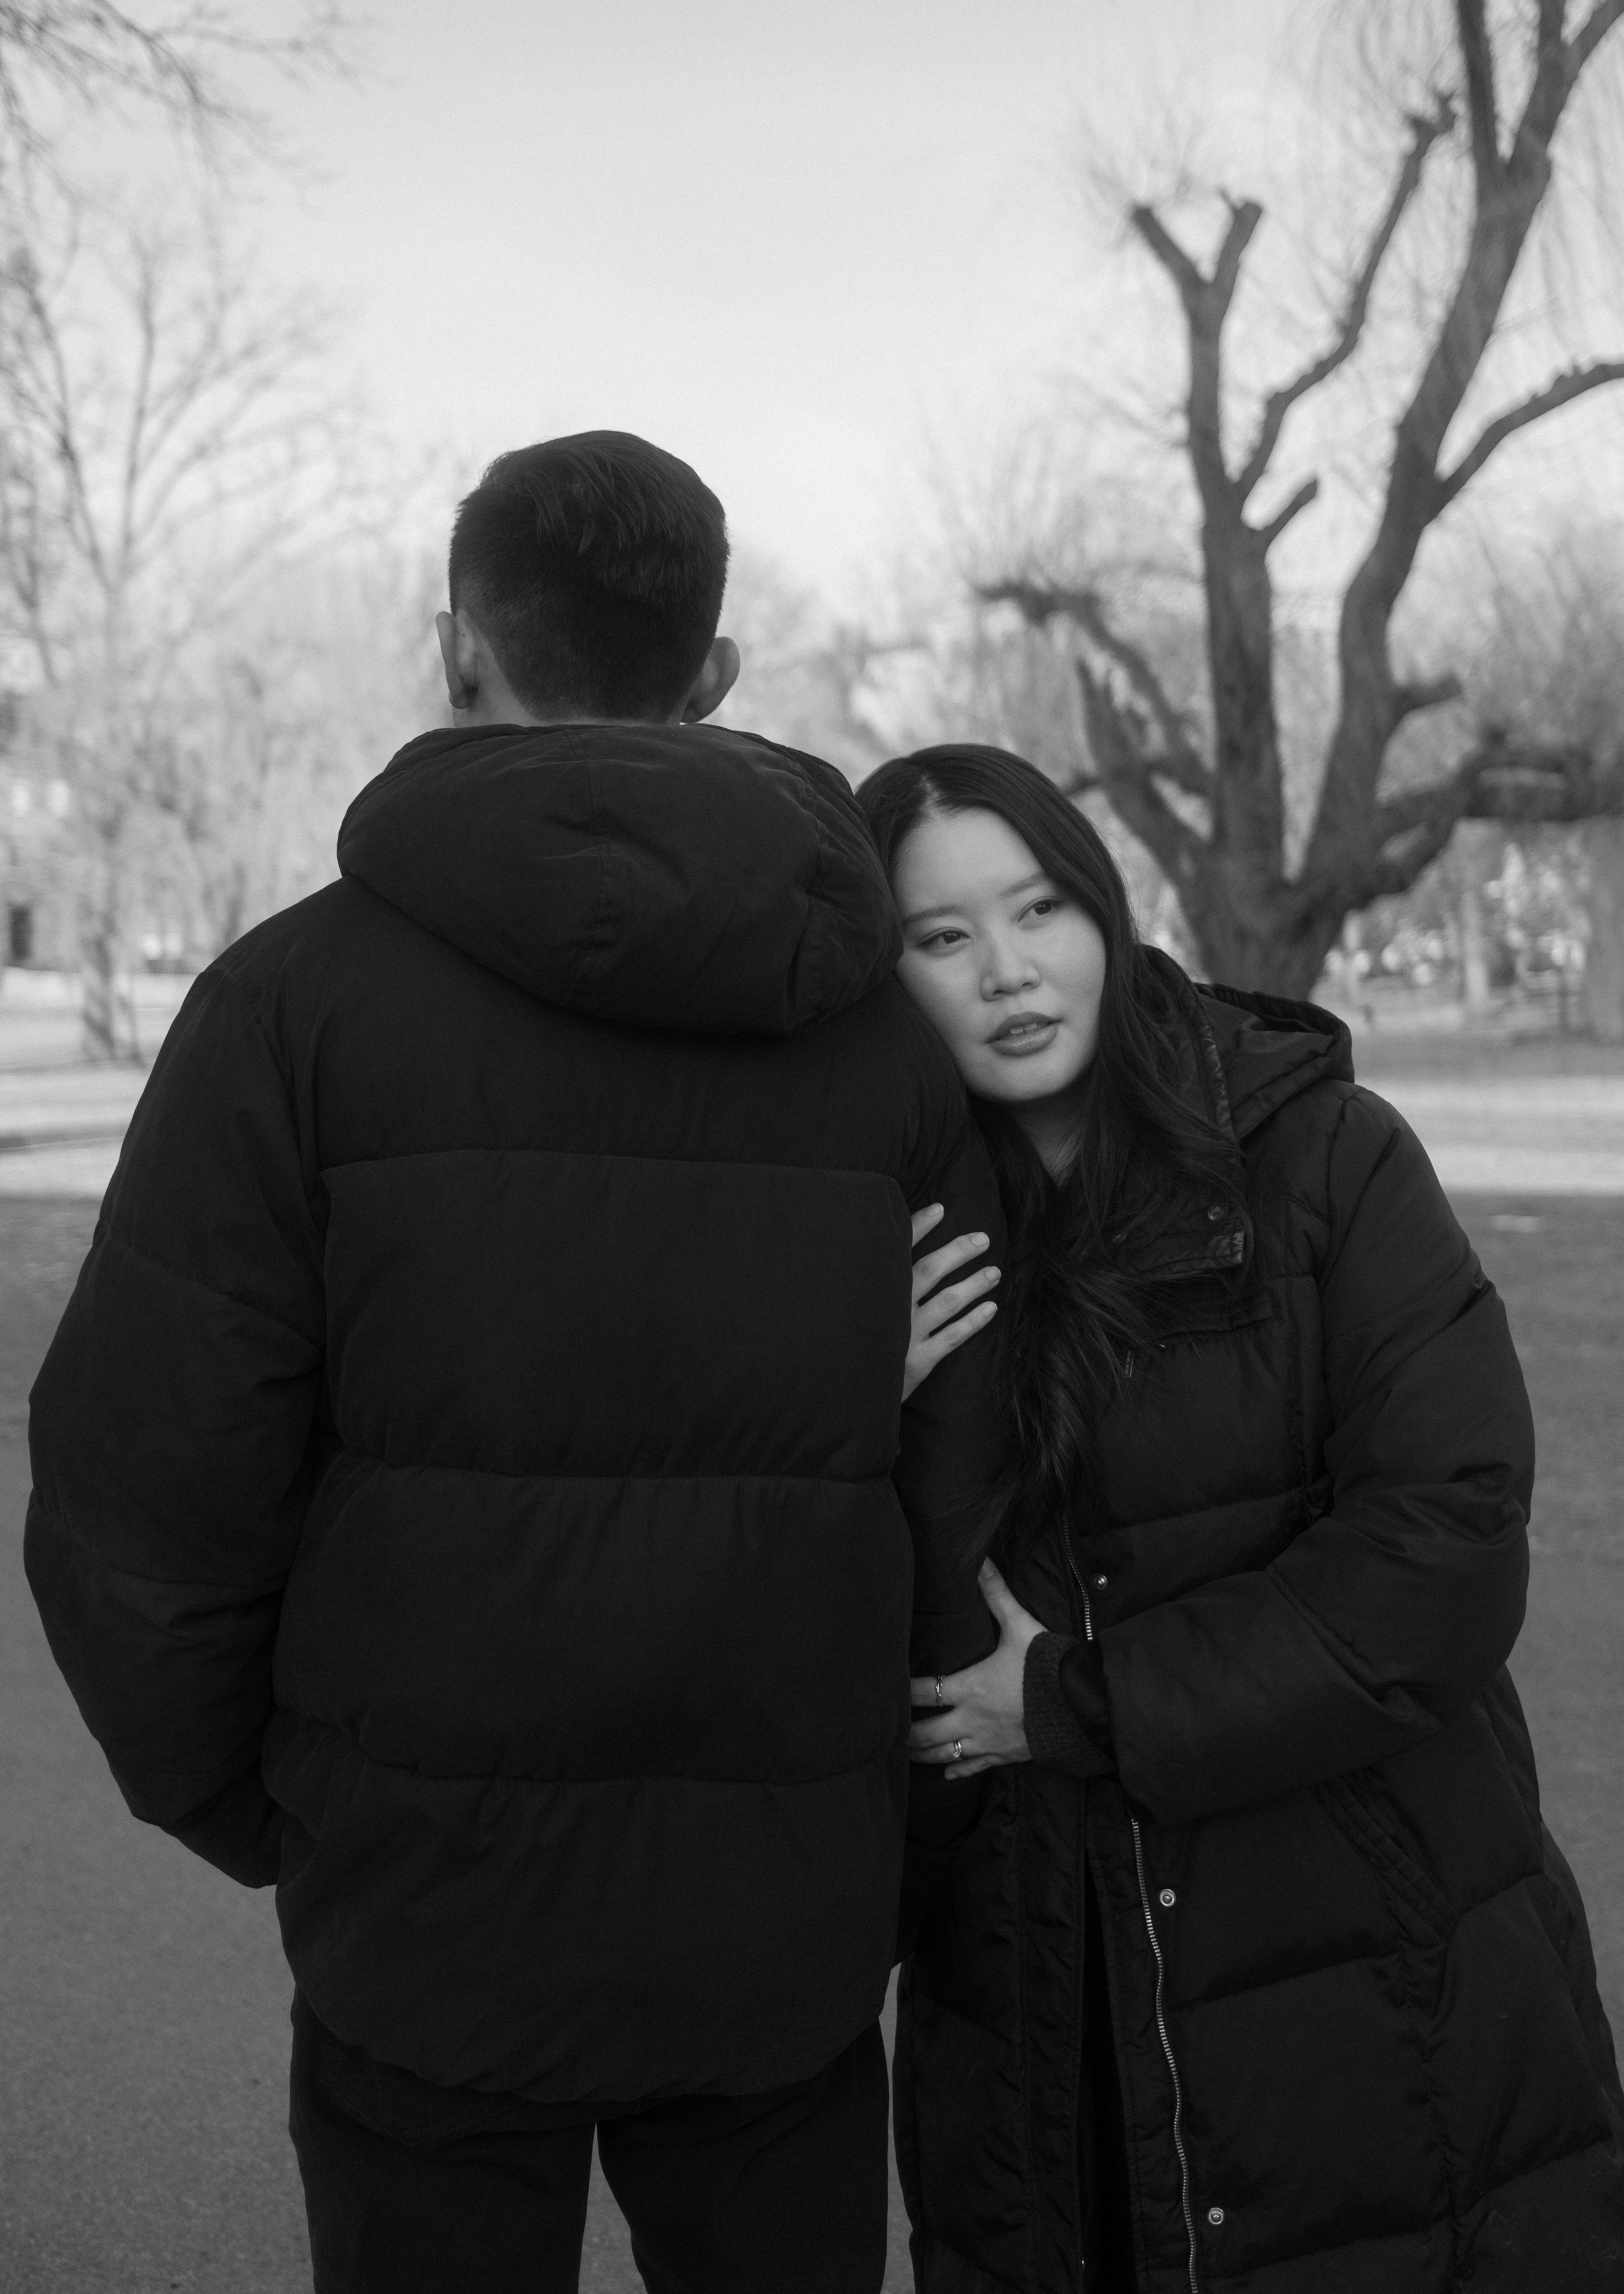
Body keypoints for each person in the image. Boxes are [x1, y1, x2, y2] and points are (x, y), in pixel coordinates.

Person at [23, 433, 1008, 2294]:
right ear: (712, 673)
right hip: (778, 1921)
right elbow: (967, 1473)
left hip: (424, 1914)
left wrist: (281, 1806)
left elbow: (137, 1501)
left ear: (455, 644)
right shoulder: (880, 1039)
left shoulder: (285, 1006)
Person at [857, 743, 1624, 2294]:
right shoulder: (876, 1233)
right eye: (938, 938)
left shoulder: (1320, 1159)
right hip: (1026, 2007)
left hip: (1368, 1976)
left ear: (1103, 909)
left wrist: (1073, 1702)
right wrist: (849, 1414)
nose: (1005, 972)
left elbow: (1444, 1552)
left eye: (1037, 909)